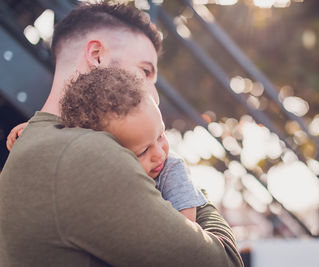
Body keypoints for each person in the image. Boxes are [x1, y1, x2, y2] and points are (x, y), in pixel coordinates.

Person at [0, 2, 243, 267]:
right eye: (144, 72)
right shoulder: (84, 153)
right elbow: (225, 261)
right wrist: (178, 176)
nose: (154, 94)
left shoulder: (38, 140)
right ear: (97, 55)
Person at [59, 67, 206, 222]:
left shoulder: (171, 170)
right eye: (143, 151)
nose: (159, 154)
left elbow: (188, 235)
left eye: (161, 136)